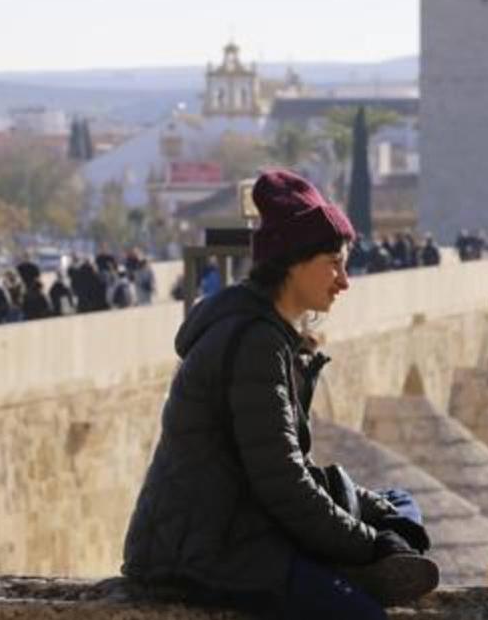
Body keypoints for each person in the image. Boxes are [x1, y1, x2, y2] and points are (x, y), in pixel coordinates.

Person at [123, 169, 438, 619]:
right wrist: (369, 544)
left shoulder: (269, 334)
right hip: (209, 548)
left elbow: (284, 463)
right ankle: (361, 574)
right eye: (334, 262)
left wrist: (373, 522)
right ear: (292, 261)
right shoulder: (256, 343)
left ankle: (366, 565)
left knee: (400, 506)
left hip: (240, 523)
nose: (344, 280)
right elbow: (283, 483)